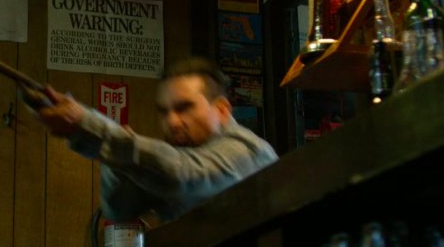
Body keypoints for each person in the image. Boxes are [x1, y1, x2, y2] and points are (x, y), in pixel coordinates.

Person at [34, 56, 278, 222]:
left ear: (222, 109)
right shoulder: (174, 164)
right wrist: (118, 157)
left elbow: (183, 174)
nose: (171, 122)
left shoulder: (250, 151)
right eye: (164, 111)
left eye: (184, 108)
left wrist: (85, 124)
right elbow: (119, 209)